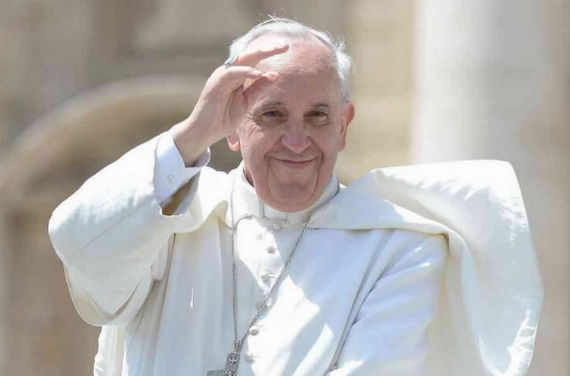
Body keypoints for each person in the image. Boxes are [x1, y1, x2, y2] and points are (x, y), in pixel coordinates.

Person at [48, 18, 542, 376]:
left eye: (318, 116)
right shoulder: (169, 217)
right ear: (233, 128)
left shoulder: (398, 246)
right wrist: (192, 134)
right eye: (272, 115)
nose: (297, 140)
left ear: (344, 126)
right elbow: (82, 244)